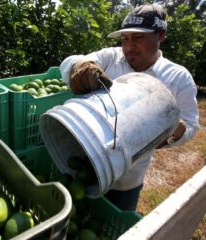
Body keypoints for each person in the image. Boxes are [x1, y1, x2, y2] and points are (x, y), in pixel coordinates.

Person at [59, 3, 199, 211]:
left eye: (138, 38)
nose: (128, 46)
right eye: (125, 38)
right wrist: (80, 68)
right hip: (84, 159)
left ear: (160, 36)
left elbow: (191, 125)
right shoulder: (111, 57)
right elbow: (69, 62)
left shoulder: (178, 78)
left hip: (127, 177)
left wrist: (173, 133)